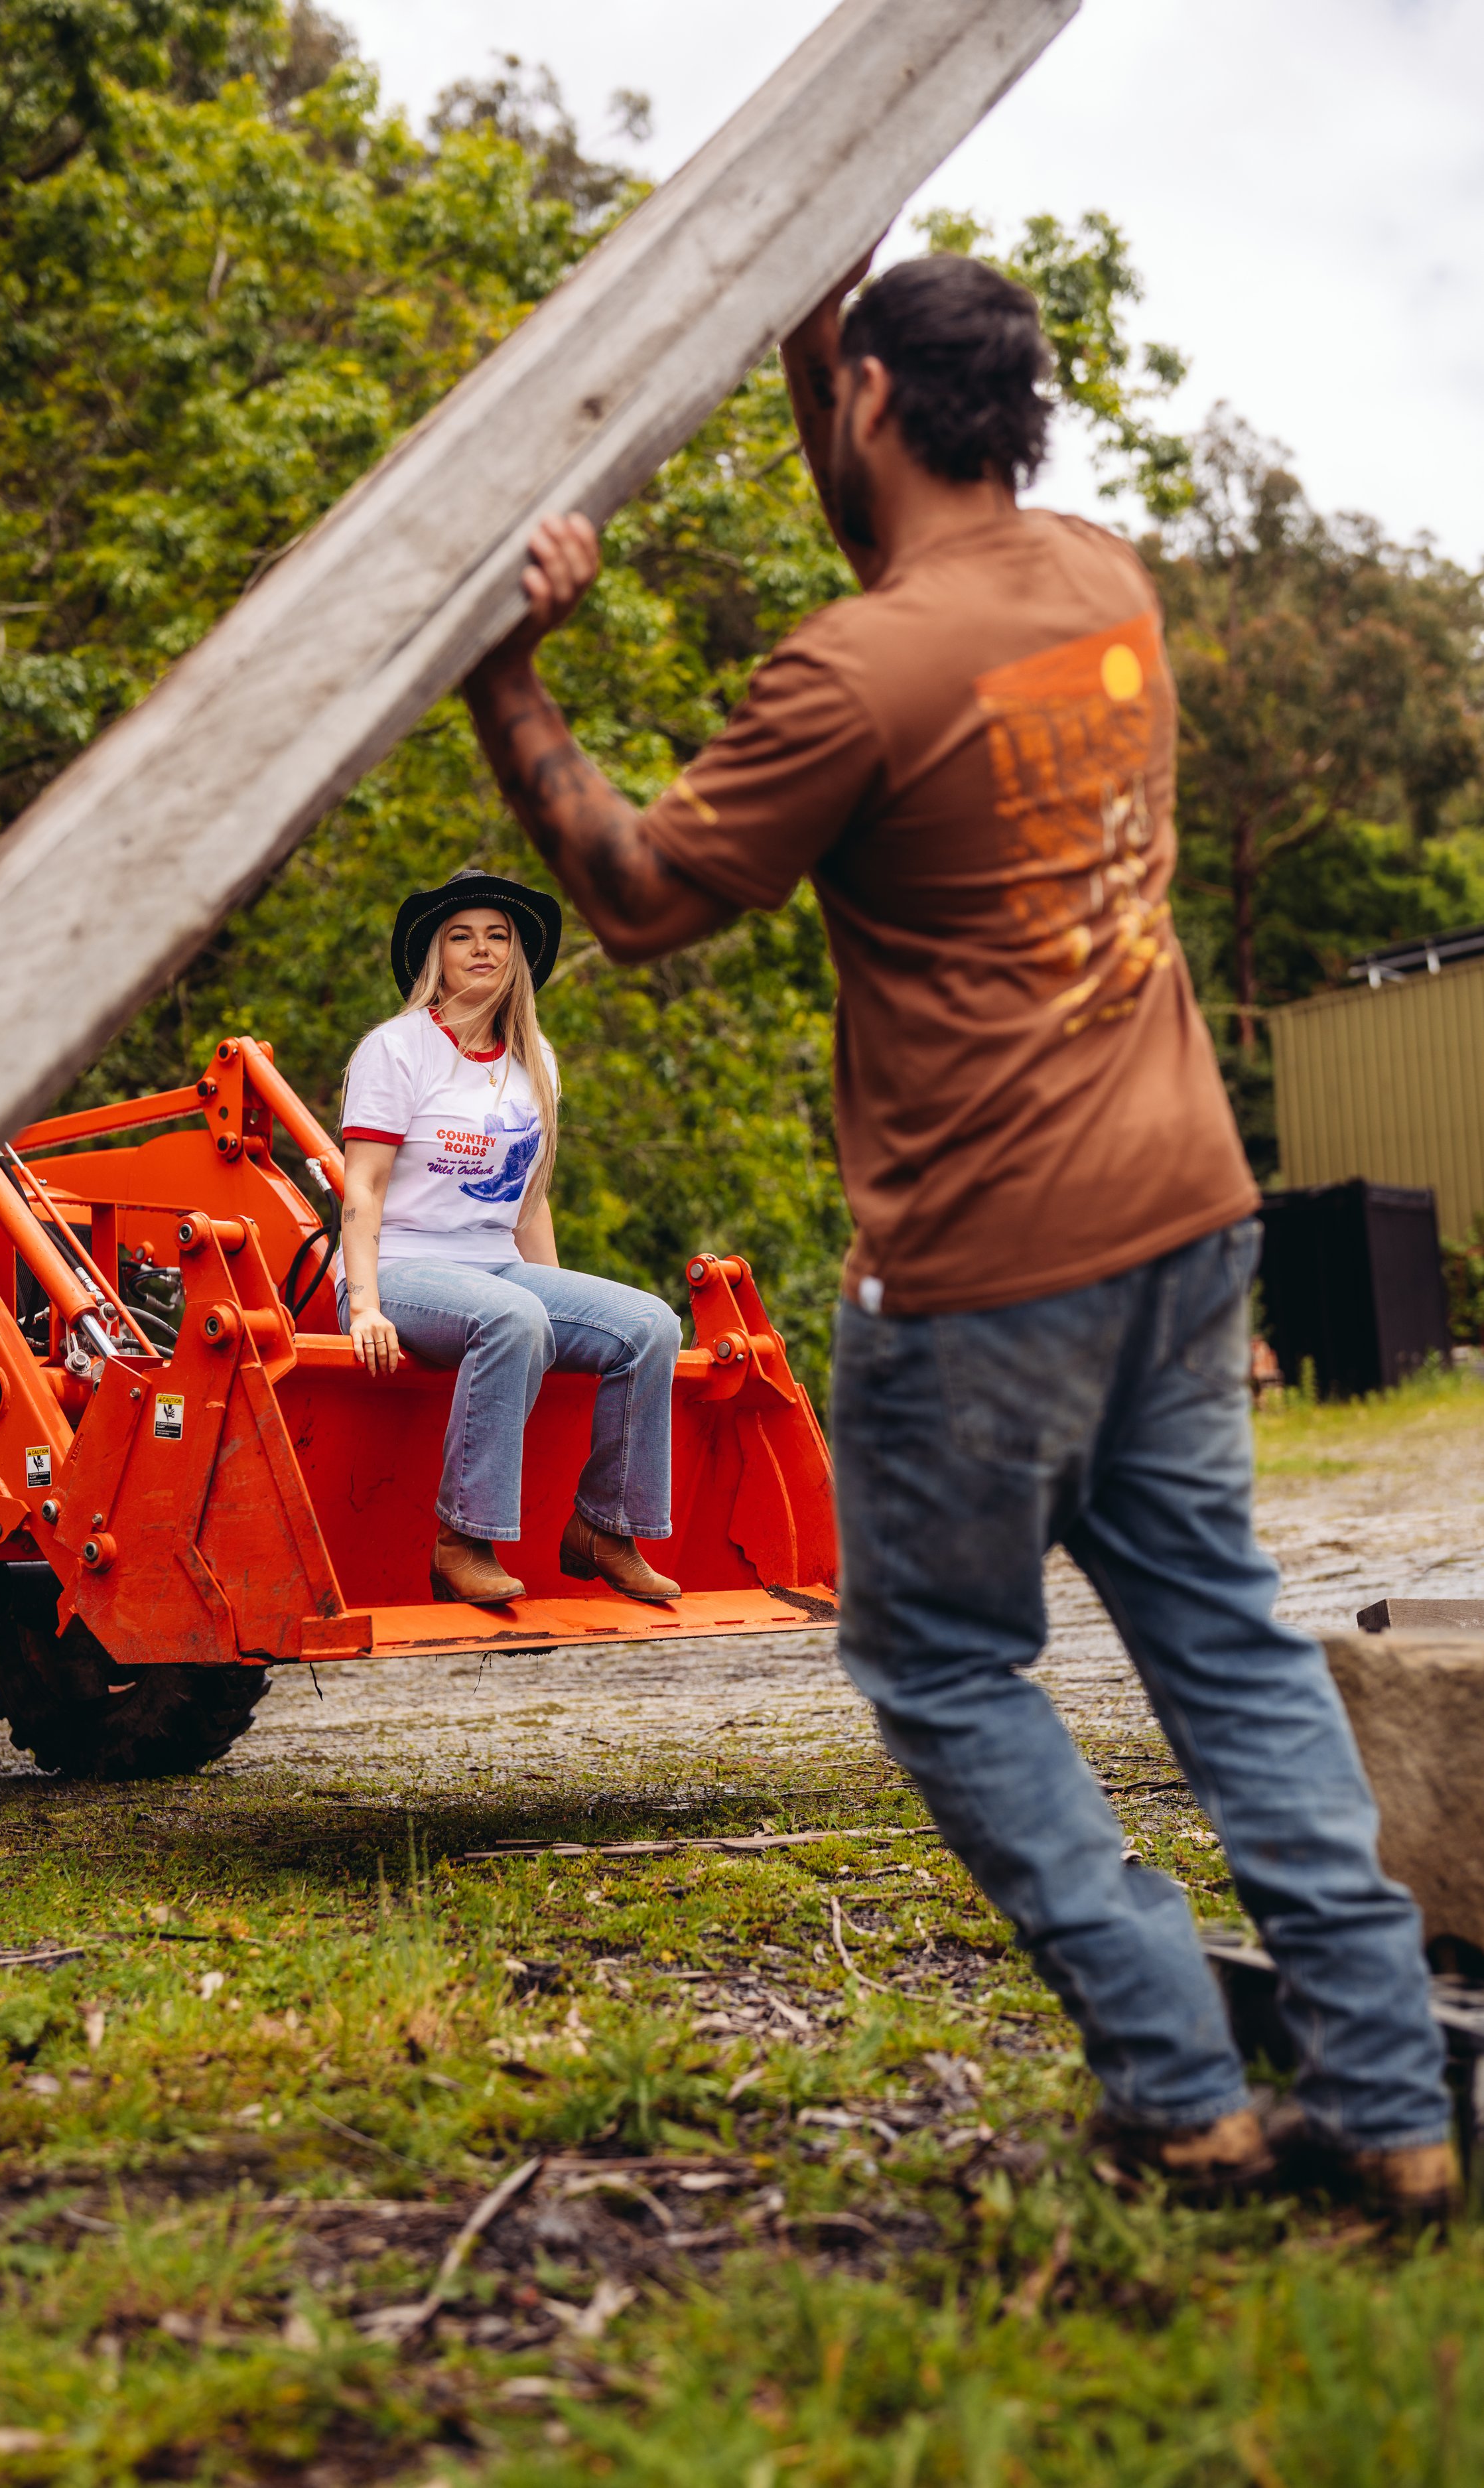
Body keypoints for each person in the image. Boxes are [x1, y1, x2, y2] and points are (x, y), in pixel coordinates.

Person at [457, 253, 1457, 2215]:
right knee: (1224, 1642)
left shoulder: (845, 677)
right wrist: (808, 317)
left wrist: (505, 679)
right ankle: (1388, 2095)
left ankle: (1178, 2078)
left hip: (984, 1275)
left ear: (870, 413)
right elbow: (900, 556)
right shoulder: (1096, 584)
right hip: (1179, 1221)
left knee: (936, 1664)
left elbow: (643, 894)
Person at [338, 868, 683, 1608]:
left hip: (495, 1267)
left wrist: (566, 1306)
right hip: (398, 1268)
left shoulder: (536, 1059)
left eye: (498, 936)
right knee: (512, 1316)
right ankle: (461, 1540)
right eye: (462, 936)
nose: (482, 949)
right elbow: (361, 1187)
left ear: (518, 956)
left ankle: (605, 1528)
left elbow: (529, 1200)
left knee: (648, 1324)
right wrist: (363, 1305)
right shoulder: (396, 1050)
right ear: (437, 955)